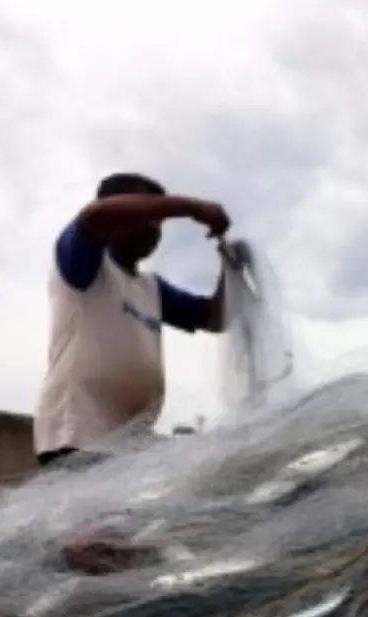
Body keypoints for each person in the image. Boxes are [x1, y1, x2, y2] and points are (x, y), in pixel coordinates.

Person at [35, 173, 233, 469]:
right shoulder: (84, 261)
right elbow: (94, 216)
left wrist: (229, 267)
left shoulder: (151, 287)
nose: (154, 228)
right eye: (147, 213)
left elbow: (215, 318)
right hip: (78, 433)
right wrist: (193, 208)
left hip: (131, 444)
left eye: (159, 223)